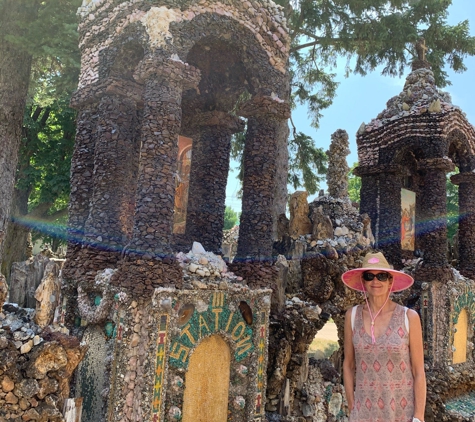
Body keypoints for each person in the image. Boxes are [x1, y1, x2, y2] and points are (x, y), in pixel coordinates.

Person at [342, 252, 426, 422]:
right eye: (369, 276)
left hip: (402, 414)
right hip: (363, 414)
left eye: (381, 276)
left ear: (390, 281)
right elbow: (348, 364)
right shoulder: (352, 316)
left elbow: (418, 372)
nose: (375, 281)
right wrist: (352, 405)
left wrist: (419, 416)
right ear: (363, 281)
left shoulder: (408, 317)